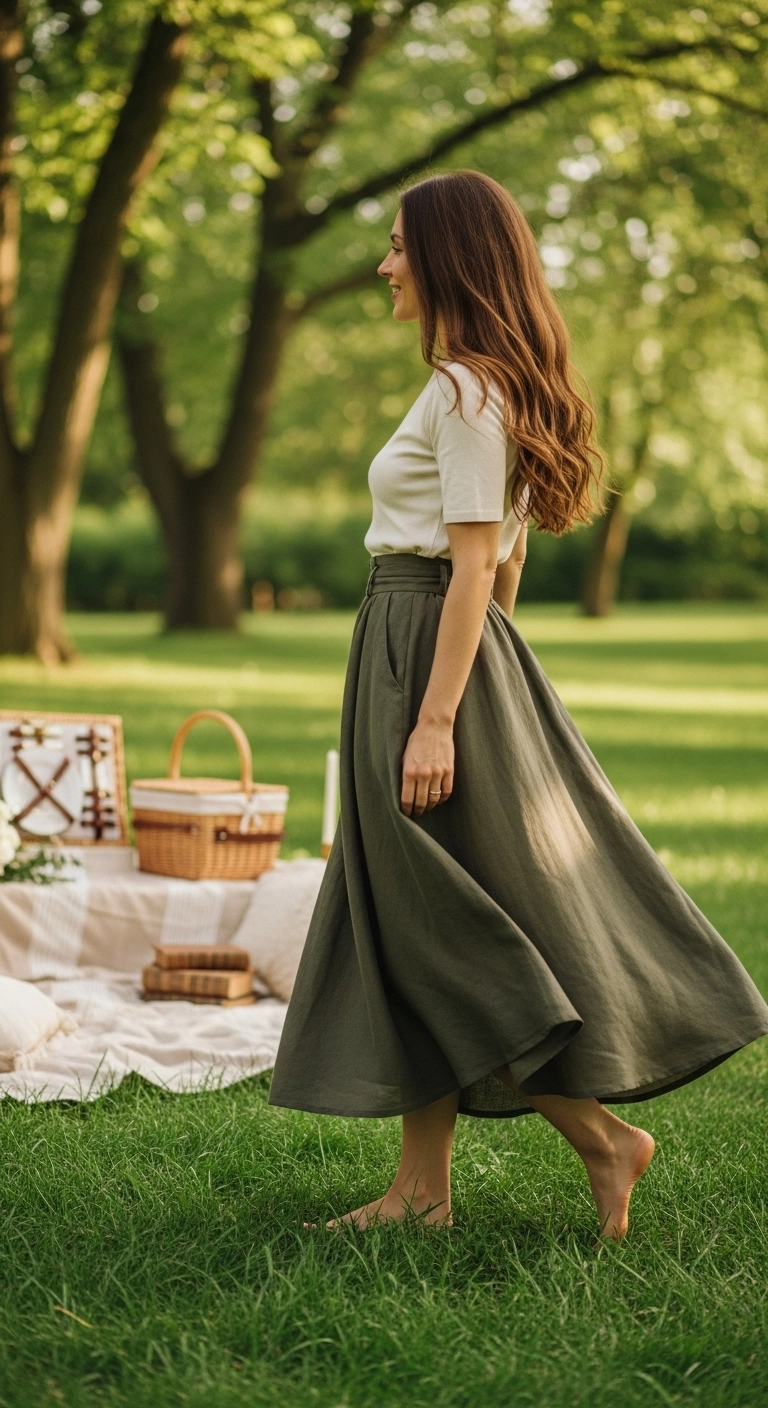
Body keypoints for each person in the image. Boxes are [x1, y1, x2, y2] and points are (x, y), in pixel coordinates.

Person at [269, 171, 768, 1240]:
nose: (384, 265)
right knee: (413, 917)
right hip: (422, 652)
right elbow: (504, 571)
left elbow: (471, 568)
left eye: (399, 246)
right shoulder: (473, 387)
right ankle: (422, 1190)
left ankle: (600, 1136)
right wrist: (478, 680)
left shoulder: (466, 392)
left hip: (426, 657)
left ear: (447, 257)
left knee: (435, 924)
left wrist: (444, 713)